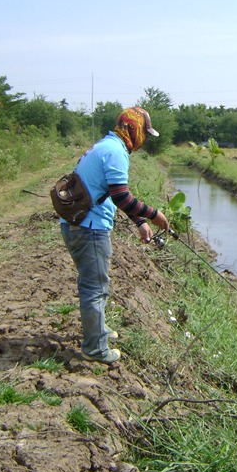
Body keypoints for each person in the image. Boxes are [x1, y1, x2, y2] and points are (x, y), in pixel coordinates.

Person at [61, 106, 170, 365]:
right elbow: (121, 195)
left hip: (79, 224)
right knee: (95, 288)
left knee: (96, 284)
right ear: (134, 128)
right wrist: (154, 215)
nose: (144, 140)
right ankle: (95, 349)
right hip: (89, 228)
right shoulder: (115, 153)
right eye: (144, 132)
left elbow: (108, 192)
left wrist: (139, 221)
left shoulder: (106, 146)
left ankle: (99, 331)